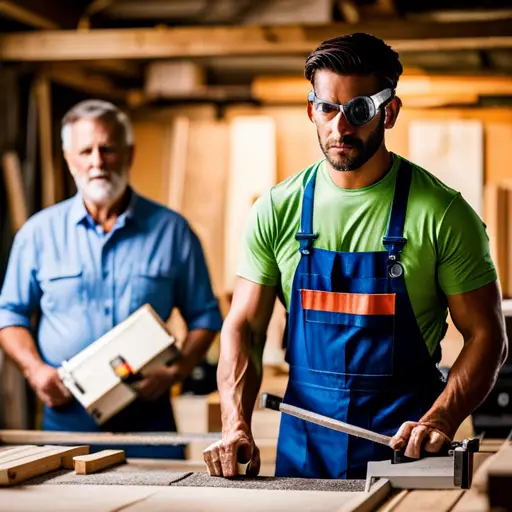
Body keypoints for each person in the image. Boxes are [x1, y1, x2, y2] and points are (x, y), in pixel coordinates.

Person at [203, 33, 508, 479]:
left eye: (358, 109)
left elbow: (487, 336)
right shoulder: (276, 209)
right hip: (303, 455)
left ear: (389, 112)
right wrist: (235, 425)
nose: (340, 127)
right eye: (327, 108)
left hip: (408, 451)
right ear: (311, 110)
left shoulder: (443, 214)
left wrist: (440, 419)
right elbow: (245, 326)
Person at [0, 99, 222, 458]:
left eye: (108, 149)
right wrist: (35, 370)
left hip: (149, 427)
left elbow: (206, 317)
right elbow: (9, 315)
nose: (97, 162)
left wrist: (177, 371)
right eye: (85, 151)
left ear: (129, 154)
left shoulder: (172, 231)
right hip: (65, 426)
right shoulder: (38, 234)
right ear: (68, 158)